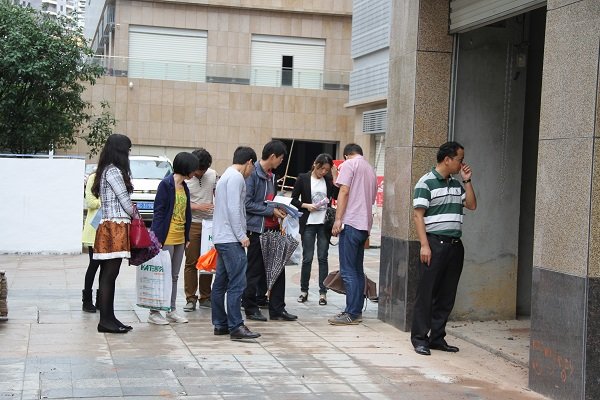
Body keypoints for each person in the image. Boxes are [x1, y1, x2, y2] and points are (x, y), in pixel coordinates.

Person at [411, 141, 477, 356]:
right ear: (447, 159)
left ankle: (437, 338)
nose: (462, 163)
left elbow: (472, 205)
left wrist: (467, 181)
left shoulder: (457, 185)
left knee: (447, 295)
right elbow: (418, 215)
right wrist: (424, 245)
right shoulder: (426, 182)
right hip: (434, 244)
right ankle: (420, 338)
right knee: (427, 293)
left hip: (455, 246)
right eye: (459, 159)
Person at [243, 140, 297, 322]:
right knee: (254, 270)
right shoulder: (252, 175)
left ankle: (277, 309)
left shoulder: (272, 176)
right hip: (257, 230)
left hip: (273, 228)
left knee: (278, 269)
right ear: (272, 156)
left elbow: (269, 199)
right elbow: (247, 203)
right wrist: (269, 210)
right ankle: (250, 307)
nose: (281, 162)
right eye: (280, 158)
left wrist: (280, 208)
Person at [211, 146, 261, 340]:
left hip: (221, 238)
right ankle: (236, 326)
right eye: (252, 167)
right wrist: (242, 235)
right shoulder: (237, 177)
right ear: (249, 162)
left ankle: (220, 324)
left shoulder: (225, 176)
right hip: (231, 239)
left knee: (221, 283)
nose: (252, 172)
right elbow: (234, 209)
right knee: (237, 284)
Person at [328, 143, 377, 326]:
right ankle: (355, 312)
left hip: (351, 222)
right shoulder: (370, 169)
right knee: (356, 270)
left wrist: (338, 219)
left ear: (347, 155)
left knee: (348, 271)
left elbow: (344, 191)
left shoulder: (350, 165)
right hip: (364, 226)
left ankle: (351, 313)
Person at [92, 133, 136, 334]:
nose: (128, 153)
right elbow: (125, 202)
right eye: (127, 150)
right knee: (109, 275)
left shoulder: (106, 170)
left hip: (110, 226)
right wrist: (138, 218)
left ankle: (109, 318)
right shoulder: (114, 172)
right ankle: (106, 321)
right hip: (114, 227)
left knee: (108, 275)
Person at [148, 152, 199, 325]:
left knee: (174, 276)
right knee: (162, 275)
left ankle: (171, 310)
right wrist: (157, 237)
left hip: (180, 238)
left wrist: (186, 236)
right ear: (186, 167)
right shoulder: (165, 184)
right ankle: (154, 312)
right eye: (193, 168)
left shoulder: (184, 187)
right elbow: (159, 212)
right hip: (166, 238)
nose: (195, 172)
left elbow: (187, 213)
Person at [291, 153, 338, 306]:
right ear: (315, 164)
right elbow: (293, 199)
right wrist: (306, 206)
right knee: (308, 258)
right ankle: (304, 291)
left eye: (327, 170)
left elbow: (337, 195)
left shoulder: (329, 180)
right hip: (309, 223)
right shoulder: (303, 178)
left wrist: (336, 177)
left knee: (323, 258)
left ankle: (323, 292)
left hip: (324, 224)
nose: (323, 172)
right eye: (321, 169)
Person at [183, 148, 217, 312]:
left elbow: (217, 194)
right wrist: (198, 206)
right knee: (191, 262)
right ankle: (190, 298)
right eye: (197, 170)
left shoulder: (212, 175)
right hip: (192, 223)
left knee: (208, 262)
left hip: (210, 224)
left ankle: (206, 297)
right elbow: (180, 203)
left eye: (203, 170)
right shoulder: (185, 178)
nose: (200, 173)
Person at [82, 171, 101, 313]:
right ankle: (87, 301)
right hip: (94, 230)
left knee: (107, 268)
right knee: (93, 265)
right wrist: (106, 201)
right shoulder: (93, 178)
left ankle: (102, 299)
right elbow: (90, 202)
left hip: (109, 230)